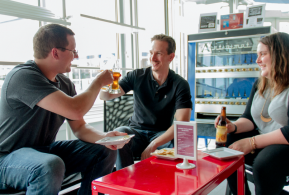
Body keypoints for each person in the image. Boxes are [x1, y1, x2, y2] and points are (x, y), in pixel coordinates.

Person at [0, 24, 128, 195]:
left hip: (44, 151)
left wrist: (105, 138)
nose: (77, 56)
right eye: (73, 51)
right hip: (8, 159)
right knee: (49, 165)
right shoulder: (23, 76)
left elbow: (80, 127)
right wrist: (97, 82)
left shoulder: (65, 83)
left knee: (103, 150)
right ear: (55, 52)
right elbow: (75, 110)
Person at [214, 32, 289, 195]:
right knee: (227, 142)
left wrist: (252, 142)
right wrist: (233, 127)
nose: (257, 60)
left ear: (280, 55)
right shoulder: (261, 83)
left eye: (263, 54)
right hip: (264, 140)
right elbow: (249, 119)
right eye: (257, 54)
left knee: (264, 164)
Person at [100, 34, 193, 170]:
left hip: (161, 134)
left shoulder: (180, 84)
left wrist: (154, 143)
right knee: (120, 133)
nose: (152, 58)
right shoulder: (136, 76)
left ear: (171, 57)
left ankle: (165, 185)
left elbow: (182, 123)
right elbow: (106, 96)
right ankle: (125, 184)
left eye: (158, 53)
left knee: (181, 141)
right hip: (135, 133)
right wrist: (102, 82)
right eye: (151, 53)